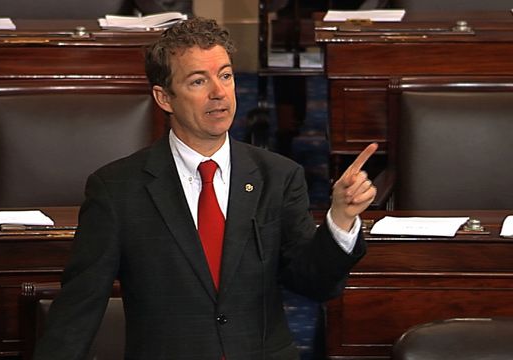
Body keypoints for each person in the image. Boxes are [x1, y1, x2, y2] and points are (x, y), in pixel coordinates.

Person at [34, 17, 377, 360]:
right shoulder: (117, 189)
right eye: (199, 81)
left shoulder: (278, 176)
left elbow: (314, 284)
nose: (219, 92)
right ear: (164, 97)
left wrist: (341, 219)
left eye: (225, 76)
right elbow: (79, 308)